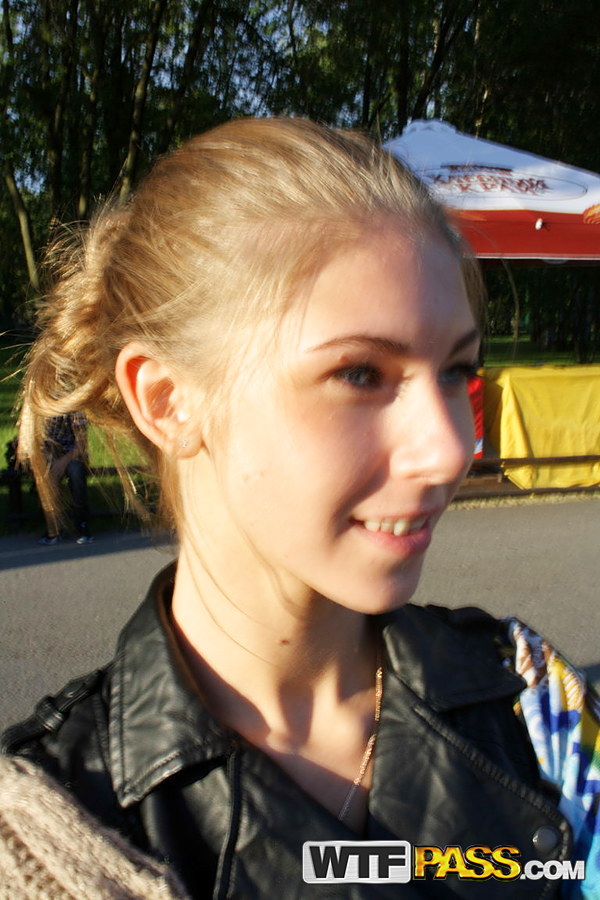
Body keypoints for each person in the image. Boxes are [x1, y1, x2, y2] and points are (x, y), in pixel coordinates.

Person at [1, 118, 597, 899]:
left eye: (456, 371)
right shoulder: (45, 836)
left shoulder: (534, 706)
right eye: (360, 374)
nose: (452, 449)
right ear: (169, 400)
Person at [38, 411, 94, 544]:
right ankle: (54, 524)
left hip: (72, 454)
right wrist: (49, 458)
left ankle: (81, 521)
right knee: (46, 474)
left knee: (76, 471)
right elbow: (38, 440)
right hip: (49, 454)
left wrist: (62, 463)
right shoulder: (41, 407)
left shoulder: (74, 409)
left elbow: (81, 444)